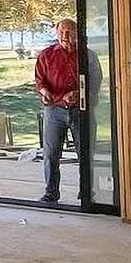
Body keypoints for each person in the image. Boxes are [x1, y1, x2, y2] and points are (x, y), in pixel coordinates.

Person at [33, 18, 101, 206]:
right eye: (62, 32)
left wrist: (80, 93)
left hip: (81, 110)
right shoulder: (46, 55)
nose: (66, 36)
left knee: (85, 153)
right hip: (54, 111)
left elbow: (96, 83)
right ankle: (51, 193)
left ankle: (86, 192)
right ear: (56, 34)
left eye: (70, 31)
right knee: (51, 154)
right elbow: (40, 80)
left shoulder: (88, 56)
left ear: (77, 33)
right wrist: (44, 91)